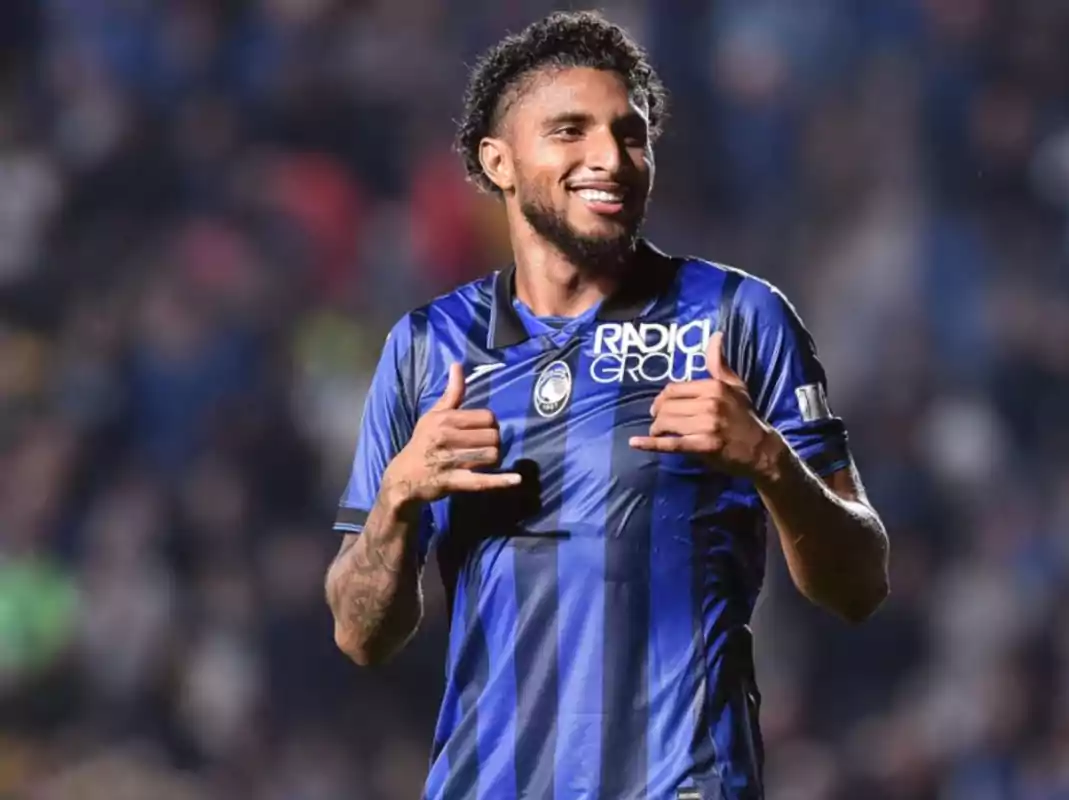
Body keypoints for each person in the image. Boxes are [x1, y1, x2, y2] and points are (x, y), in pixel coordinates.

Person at [324, 11, 889, 799]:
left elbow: (859, 584)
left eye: (630, 134)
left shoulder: (737, 318)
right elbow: (359, 635)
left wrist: (769, 461)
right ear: (499, 162)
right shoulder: (427, 349)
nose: (610, 158)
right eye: (570, 130)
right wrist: (395, 502)